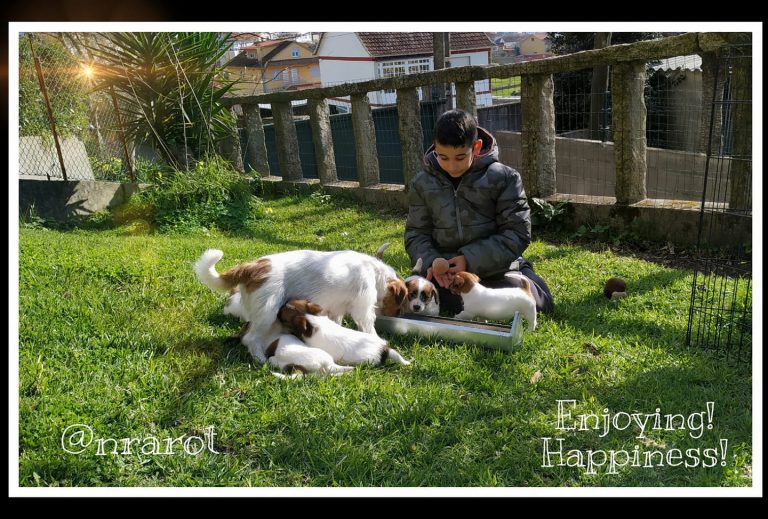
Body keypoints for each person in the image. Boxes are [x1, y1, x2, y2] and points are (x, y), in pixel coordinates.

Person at [404, 109, 554, 316]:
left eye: (460, 157)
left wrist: (469, 259)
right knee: (433, 299)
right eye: (443, 157)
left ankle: (521, 278)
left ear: (476, 147)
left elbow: (517, 233)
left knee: (535, 303)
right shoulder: (422, 183)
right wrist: (431, 261)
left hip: (496, 267)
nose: (452, 166)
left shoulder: (505, 178)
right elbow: (416, 234)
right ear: (434, 149)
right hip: (447, 275)